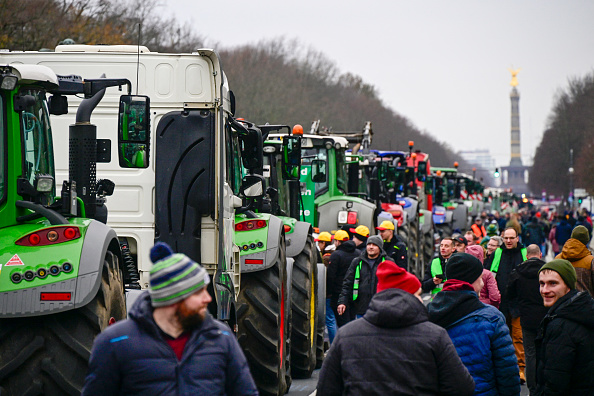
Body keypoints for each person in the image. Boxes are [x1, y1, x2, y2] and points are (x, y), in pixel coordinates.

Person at [82, 243, 258, 395]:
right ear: (172, 299)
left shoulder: (222, 337)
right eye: (198, 292)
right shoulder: (115, 342)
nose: (208, 298)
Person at [317, 260, 475, 396]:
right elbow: (462, 387)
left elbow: (327, 390)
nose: (421, 299)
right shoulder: (435, 336)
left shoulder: (346, 336)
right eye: (418, 293)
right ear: (410, 296)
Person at [427, 253, 520, 396]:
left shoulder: (428, 314)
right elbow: (507, 373)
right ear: (473, 281)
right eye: (480, 278)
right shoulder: (492, 318)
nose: (482, 283)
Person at [535, 259, 594, 395]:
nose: (545, 290)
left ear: (568, 285)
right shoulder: (583, 309)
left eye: (553, 284)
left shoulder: (560, 326)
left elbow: (554, 382)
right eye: (542, 283)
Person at [507, 244, 549, 395]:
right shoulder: (547, 270)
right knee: (545, 352)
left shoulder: (517, 272)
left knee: (529, 354)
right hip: (546, 317)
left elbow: (509, 294)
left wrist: (517, 309)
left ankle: (532, 388)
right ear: (539, 255)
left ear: (526, 256)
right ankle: (544, 385)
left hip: (526, 319)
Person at [486, 227, 527, 384]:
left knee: (518, 337)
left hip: (519, 303)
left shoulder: (524, 253)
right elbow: (490, 274)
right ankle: (505, 369)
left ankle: (520, 370)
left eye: (512, 238)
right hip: (500, 304)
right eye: (506, 238)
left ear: (517, 238)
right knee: (503, 337)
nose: (508, 241)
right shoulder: (498, 253)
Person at [337, 235, 387, 320]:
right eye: (369, 244)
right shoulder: (357, 262)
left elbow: (394, 285)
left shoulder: (387, 262)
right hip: (360, 308)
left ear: (380, 248)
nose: (371, 247)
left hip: (381, 308)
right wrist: (342, 302)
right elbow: (347, 283)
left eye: (374, 245)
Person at [327, 229, 359, 330]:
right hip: (354, 293)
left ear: (337, 242)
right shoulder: (358, 253)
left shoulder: (336, 255)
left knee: (342, 323)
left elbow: (331, 276)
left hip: (338, 294)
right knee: (352, 320)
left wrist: (329, 292)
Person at [555, 225, 594, 297]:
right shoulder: (590, 261)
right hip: (585, 304)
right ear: (586, 240)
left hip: (562, 304)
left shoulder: (558, 258)